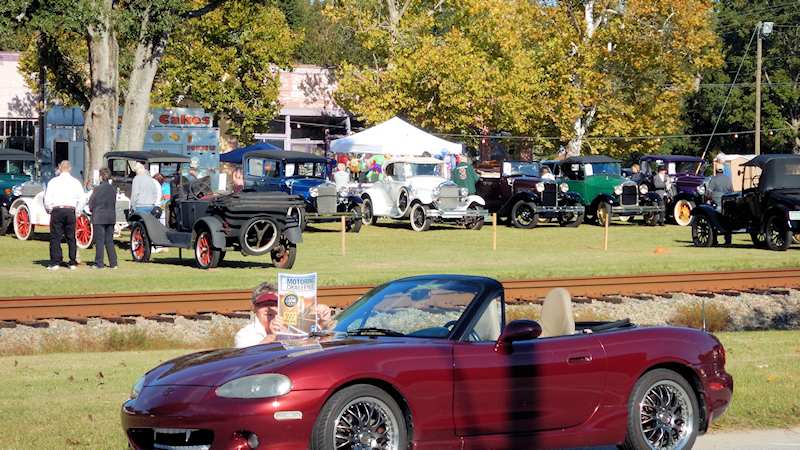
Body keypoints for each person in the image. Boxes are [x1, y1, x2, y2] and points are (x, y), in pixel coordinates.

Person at [235, 282, 334, 348]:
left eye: (275, 304)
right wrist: (272, 336)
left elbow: (315, 345)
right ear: (254, 307)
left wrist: (323, 322)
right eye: (264, 304)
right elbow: (250, 361)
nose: (270, 308)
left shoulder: (290, 329)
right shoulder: (244, 335)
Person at [43, 160, 85, 271]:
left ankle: (55, 261)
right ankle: (72, 261)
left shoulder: (53, 182)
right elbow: (82, 198)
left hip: (57, 209)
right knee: (71, 237)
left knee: (55, 237)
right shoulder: (75, 182)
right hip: (70, 210)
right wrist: (78, 211)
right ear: (70, 168)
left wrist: (49, 209)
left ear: (59, 168)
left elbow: (47, 198)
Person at [88, 168, 118, 269]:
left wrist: (92, 209)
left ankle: (99, 263)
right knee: (109, 240)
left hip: (99, 217)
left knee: (100, 241)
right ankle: (113, 263)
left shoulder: (97, 189)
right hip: (110, 217)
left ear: (101, 177)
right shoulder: (113, 189)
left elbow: (91, 204)